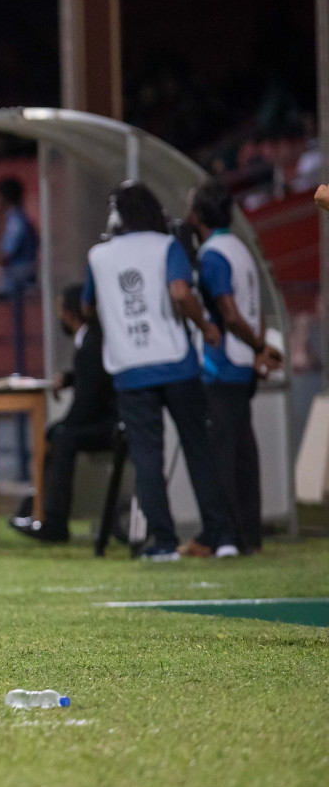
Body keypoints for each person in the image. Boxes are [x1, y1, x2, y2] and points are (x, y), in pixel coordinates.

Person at [82, 181, 237, 561]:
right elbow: (181, 292)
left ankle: (164, 543)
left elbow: (88, 308)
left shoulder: (98, 256)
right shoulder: (166, 245)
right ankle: (222, 537)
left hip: (130, 369)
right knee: (199, 450)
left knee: (147, 457)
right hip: (175, 363)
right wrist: (207, 327)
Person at [188, 180, 283, 555]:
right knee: (244, 453)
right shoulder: (241, 249)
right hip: (243, 365)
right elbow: (254, 306)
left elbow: (229, 312)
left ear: (197, 215)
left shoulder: (212, 255)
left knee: (224, 455)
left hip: (223, 364)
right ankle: (249, 536)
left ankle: (226, 537)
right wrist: (258, 350)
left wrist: (258, 346)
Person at [11, 285, 118, 543]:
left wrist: (62, 427)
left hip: (112, 424)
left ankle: (54, 521)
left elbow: (89, 402)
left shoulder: (92, 343)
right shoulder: (94, 339)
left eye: (61, 311)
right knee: (57, 434)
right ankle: (38, 509)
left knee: (60, 437)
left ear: (72, 313)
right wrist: (69, 378)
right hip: (109, 419)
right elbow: (95, 379)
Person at [0, 177, 38, 293]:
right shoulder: (19, 219)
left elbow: (4, 257)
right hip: (19, 280)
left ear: (3, 198)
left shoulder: (15, 221)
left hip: (18, 283)